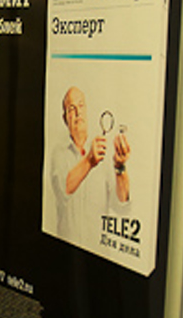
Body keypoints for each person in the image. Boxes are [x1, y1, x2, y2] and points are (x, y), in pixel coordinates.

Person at [48, 85, 130, 243]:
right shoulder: (57, 154)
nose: (77, 112)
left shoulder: (105, 153)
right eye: (71, 109)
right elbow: (63, 190)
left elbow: (121, 205)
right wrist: (89, 161)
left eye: (80, 106)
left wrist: (120, 168)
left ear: (86, 110)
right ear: (65, 118)